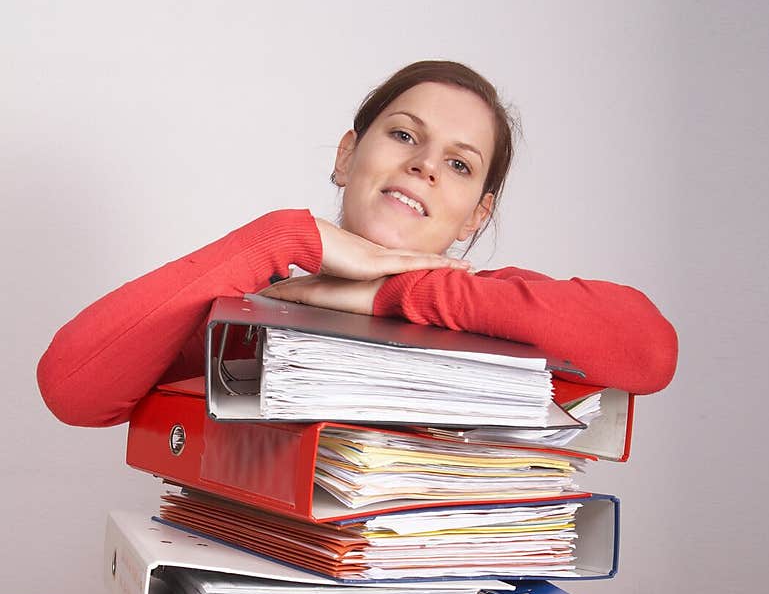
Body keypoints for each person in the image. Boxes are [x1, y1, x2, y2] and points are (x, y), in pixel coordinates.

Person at [37, 60, 678, 428]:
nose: (426, 164)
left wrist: (391, 292)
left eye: (459, 165)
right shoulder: (250, 304)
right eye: (404, 135)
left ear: (473, 219)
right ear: (348, 155)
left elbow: (650, 349)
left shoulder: (491, 304)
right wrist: (283, 239)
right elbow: (71, 389)